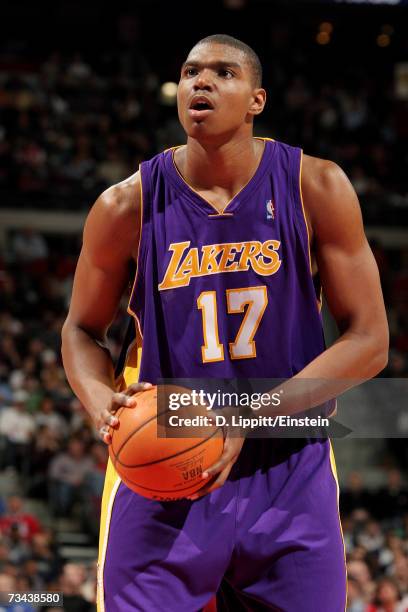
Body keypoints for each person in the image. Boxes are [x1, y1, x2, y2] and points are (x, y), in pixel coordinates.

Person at [61, 34, 388, 611]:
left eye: (223, 73)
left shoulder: (315, 186)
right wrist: (97, 401)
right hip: (165, 463)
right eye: (190, 72)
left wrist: (246, 418)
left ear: (257, 100)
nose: (201, 82)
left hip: (287, 461)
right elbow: (80, 330)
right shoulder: (125, 205)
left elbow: (370, 341)